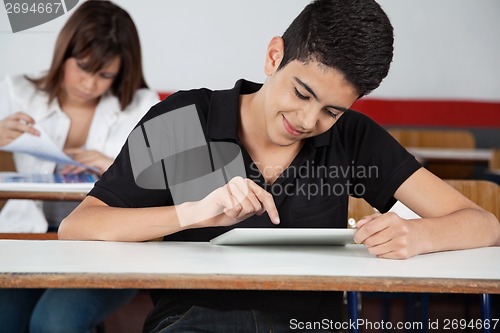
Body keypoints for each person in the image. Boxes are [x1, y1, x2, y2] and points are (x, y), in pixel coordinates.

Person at [59, 0, 500, 332]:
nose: (308, 122)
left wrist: (419, 234)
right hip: (197, 320)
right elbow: (79, 226)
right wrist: (191, 213)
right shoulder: (185, 119)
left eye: (332, 111)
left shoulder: (353, 137)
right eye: (302, 93)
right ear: (274, 57)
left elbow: (483, 224)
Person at [0, 1, 159, 332]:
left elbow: (163, 186)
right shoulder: (17, 92)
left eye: (104, 75)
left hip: (106, 246)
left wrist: (113, 166)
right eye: (83, 67)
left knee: (54, 323)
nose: (89, 84)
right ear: (64, 52)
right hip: (27, 241)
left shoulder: (143, 106)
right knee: (6, 318)